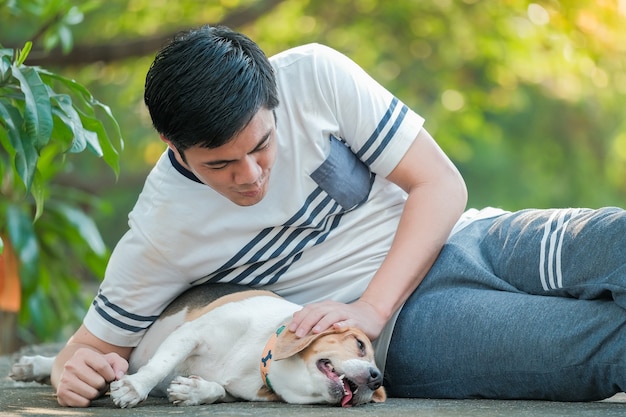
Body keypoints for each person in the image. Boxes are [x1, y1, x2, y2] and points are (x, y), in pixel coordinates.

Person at [51, 25, 626, 407]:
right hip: (409, 332)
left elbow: (439, 183)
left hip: (473, 233)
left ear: (273, 102)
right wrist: (70, 374)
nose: (249, 175)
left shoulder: (315, 76)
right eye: (220, 164)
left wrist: (370, 304)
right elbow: (87, 349)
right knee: (611, 344)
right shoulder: (161, 229)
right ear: (172, 146)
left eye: (261, 146)